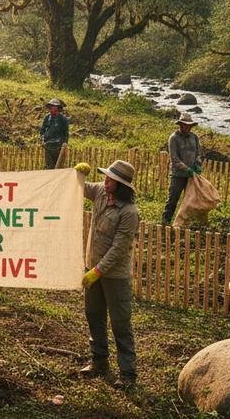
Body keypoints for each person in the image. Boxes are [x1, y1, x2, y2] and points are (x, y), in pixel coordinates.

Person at [77, 159, 140, 387]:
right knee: (94, 314)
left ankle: (127, 373)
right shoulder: (101, 192)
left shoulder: (129, 212)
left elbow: (118, 248)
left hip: (114, 276)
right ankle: (99, 361)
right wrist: (77, 175)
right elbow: (80, 188)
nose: (105, 180)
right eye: (106, 177)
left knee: (120, 323)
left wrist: (97, 271)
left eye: (110, 179)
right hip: (92, 269)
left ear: (121, 184)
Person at [162, 113, 203, 224]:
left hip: (192, 176)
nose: (187, 127)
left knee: (191, 200)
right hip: (178, 175)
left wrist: (198, 164)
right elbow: (174, 160)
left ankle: (186, 223)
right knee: (173, 199)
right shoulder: (174, 138)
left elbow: (198, 154)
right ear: (180, 125)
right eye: (185, 125)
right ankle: (165, 221)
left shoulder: (194, 137)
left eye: (189, 126)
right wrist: (187, 169)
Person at [40, 98, 69, 169]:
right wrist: (42, 139)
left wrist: (65, 142)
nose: (52, 108)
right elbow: (42, 130)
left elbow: (66, 132)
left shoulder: (63, 119)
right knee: (49, 166)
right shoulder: (47, 118)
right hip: (48, 145)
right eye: (51, 106)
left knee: (59, 166)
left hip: (59, 146)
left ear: (58, 108)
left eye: (54, 107)